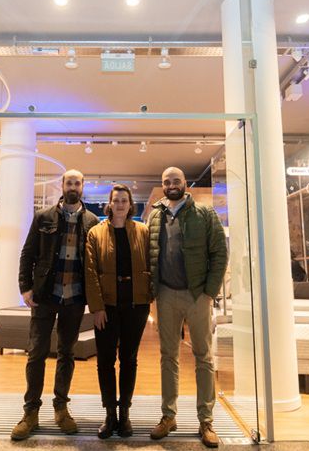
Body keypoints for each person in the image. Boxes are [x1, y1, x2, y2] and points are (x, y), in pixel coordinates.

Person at [11, 170, 99, 441]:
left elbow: (95, 263)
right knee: (36, 354)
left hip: (74, 298)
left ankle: (61, 408)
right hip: (45, 296)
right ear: (62, 186)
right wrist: (25, 287)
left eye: (77, 183)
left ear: (82, 187)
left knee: (66, 354)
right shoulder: (43, 217)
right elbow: (28, 253)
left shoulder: (92, 221)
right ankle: (30, 412)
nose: (73, 186)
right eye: (68, 182)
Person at [148, 167, 228, 448]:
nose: (171, 185)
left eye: (176, 181)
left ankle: (206, 420)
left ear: (185, 183)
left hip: (197, 296)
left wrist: (209, 292)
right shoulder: (155, 215)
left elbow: (220, 252)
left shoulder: (204, 213)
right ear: (163, 185)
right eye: (166, 181)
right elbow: (150, 256)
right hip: (166, 294)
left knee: (203, 357)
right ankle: (168, 416)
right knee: (168, 356)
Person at [84, 184, 152, 439]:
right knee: (105, 361)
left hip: (136, 305)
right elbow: (90, 273)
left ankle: (125, 414)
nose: (120, 204)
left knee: (129, 359)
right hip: (108, 307)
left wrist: (150, 295)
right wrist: (98, 308)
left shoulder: (142, 231)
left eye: (125, 200)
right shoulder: (95, 233)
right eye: (116, 200)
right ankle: (109, 414)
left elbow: (152, 263)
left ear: (130, 204)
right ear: (109, 204)